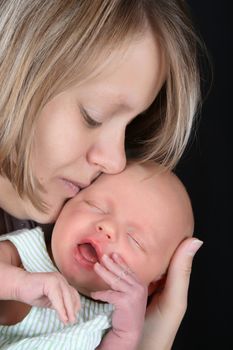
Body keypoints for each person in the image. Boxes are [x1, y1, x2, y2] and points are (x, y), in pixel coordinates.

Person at [0, 1, 204, 348]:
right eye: (93, 116)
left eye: (130, 126)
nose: (116, 161)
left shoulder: (57, 242)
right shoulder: (24, 254)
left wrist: (149, 339)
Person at [0, 162, 197, 349]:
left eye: (134, 239)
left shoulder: (118, 321)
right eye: (96, 206)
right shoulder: (24, 253)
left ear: (153, 285)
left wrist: (126, 336)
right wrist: (20, 284)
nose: (108, 226)